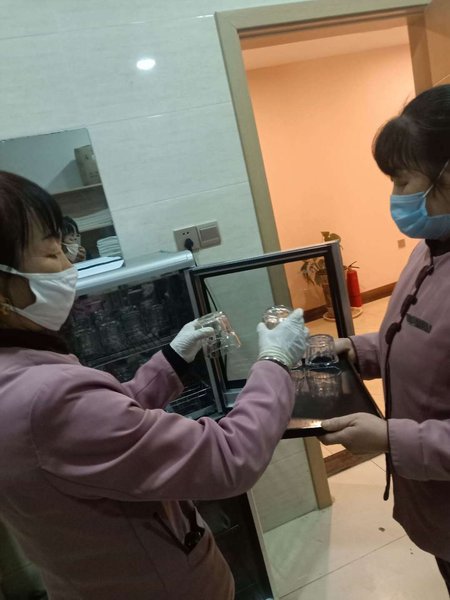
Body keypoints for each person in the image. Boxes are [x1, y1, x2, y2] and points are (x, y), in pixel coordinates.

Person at [0, 170, 309, 600]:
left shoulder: (17, 378)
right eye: (52, 252)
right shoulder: (47, 397)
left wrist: (173, 358)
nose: (69, 268)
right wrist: (275, 360)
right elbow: (230, 456)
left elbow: (105, 426)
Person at [319, 84, 450, 593]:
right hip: (436, 507)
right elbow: (426, 338)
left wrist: (389, 438)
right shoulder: (431, 247)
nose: (396, 196)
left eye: (402, 180)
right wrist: (359, 350)